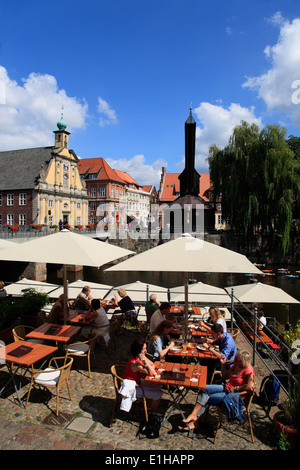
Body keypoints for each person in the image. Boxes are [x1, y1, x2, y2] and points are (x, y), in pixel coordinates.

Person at [182, 350, 255, 430]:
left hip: (234, 396)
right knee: (203, 388)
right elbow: (225, 376)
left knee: (206, 396)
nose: (234, 359)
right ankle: (194, 415)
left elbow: (250, 387)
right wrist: (223, 364)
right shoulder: (236, 366)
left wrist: (235, 388)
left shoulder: (249, 370)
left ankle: (195, 421)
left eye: (237, 359)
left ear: (242, 361)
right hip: (226, 387)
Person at [123, 337, 163, 415]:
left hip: (139, 382)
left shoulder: (139, 357)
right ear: (138, 350)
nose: (146, 351)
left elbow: (152, 364)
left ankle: (150, 407)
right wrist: (146, 363)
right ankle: (152, 413)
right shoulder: (135, 363)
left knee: (158, 385)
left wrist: (148, 365)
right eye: (144, 349)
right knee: (159, 393)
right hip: (133, 387)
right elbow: (152, 373)